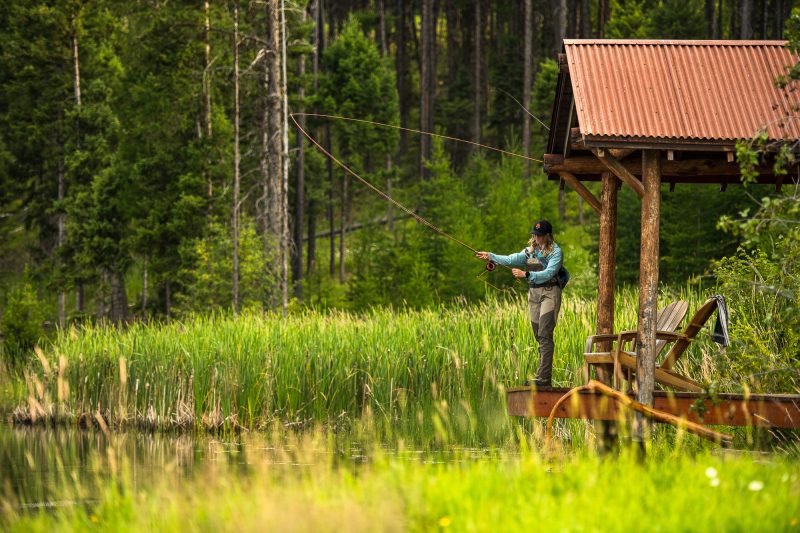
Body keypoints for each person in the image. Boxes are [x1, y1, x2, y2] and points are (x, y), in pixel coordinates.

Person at [476, 219, 567, 388]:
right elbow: (512, 259)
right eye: (535, 235)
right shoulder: (530, 251)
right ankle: (542, 376)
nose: (537, 238)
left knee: (545, 333)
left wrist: (526, 275)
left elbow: (548, 273)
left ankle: (543, 378)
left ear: (548, 236)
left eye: (540, 236)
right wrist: (491, 256)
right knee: (538, 335)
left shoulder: (556, 252)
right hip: (534, 294)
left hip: (550, 293)